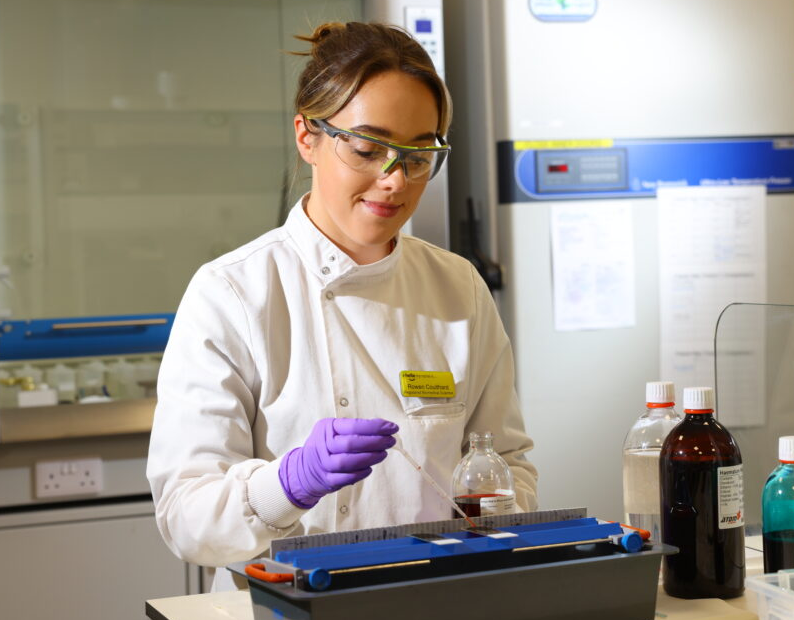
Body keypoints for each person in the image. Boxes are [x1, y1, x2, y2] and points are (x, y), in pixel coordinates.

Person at [146, 21, 537, 591]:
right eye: (366, 148)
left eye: (420, 155)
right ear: (308, 136)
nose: (393, 179)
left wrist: (494, 505)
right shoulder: (234, 292)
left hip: (435, 599)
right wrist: (287, 484)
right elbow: (186, 517)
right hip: (282, 605)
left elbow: (509, 461)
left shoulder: (458, 288)